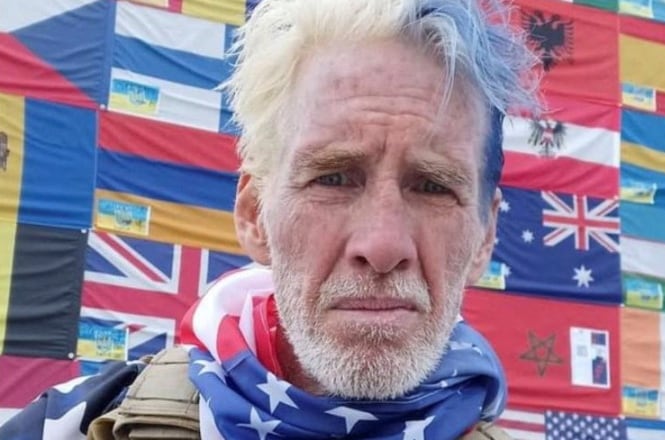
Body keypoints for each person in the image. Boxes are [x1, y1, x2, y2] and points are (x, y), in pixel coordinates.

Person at [0, 0, 538, 438]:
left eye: (433, 186)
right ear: (254, 212)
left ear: (485, 235)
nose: (382, 244)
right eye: (333, 177)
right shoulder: (68, 426)